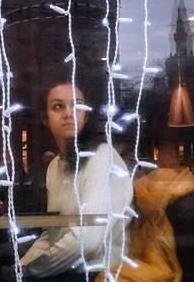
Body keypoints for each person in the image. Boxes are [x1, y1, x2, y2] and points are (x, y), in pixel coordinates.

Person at [19, 78, 133, 280]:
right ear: (45, 118)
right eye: (58, 107)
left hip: (98, 274)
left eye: (77, 106)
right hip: (64, 271)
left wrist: (31, 271)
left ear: (86, 116)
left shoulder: (101, 157)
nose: (68, 114)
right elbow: (51, 234)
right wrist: (20, 268)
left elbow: (88, 241)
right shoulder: (55, 165)